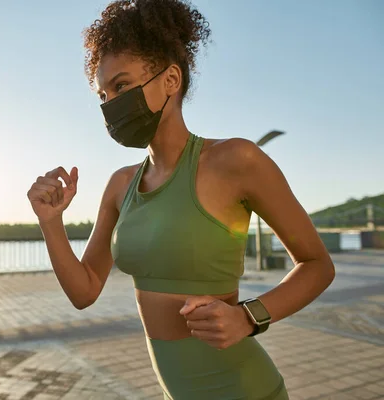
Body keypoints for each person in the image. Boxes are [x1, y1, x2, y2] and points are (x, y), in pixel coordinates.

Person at [26, 1, 335, 399]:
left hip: (244, 389)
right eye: (102, 94)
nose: (110, 105)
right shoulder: (120, 185)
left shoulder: (236, 160)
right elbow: (84, 292)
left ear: (171, 79)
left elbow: (317, 265)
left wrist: (248, 316)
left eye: (121, 86)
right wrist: (50, 222)